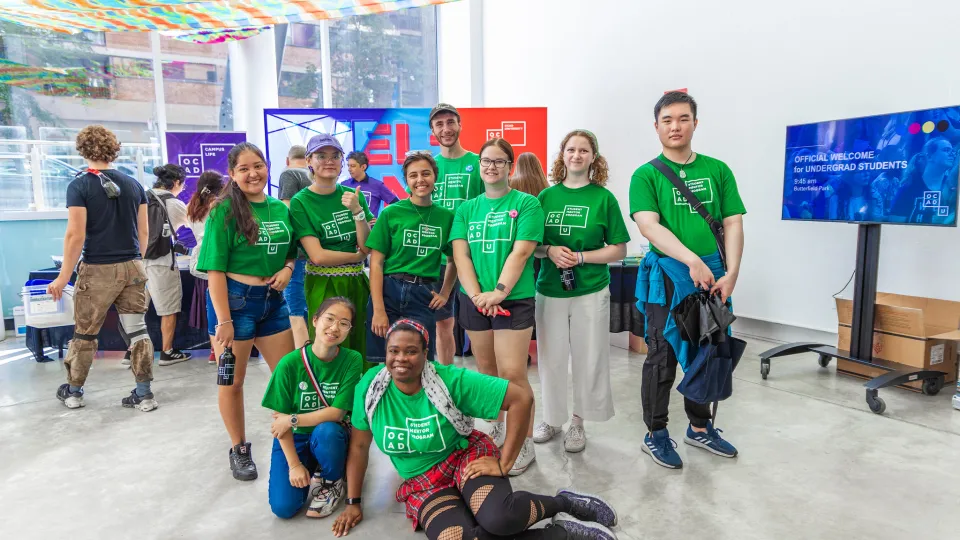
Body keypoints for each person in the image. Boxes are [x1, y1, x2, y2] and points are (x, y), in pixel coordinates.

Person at [331, 320, 620, 540]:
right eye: (394, 351)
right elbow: (358, 447)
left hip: (463, 458)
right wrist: (353, 503)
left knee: (499, 519)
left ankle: (563, 502)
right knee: (456, 537)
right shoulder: (371, 388)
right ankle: (561, 534)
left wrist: (504, 462)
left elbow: (521, 399)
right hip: (424, 482)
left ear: (425, 354)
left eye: (411, 351)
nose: (401, 359)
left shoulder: (450, 381)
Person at [630, 91, 746, 469]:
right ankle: (656, 433)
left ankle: (699, 427)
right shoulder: (646, 174)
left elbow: (733, 223)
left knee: (708, 352)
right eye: (667, 120)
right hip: (669, 274)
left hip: (713, 277)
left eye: (683, 118)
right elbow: (649, 225)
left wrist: (731, 273)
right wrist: (690, 259)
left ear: (695, 122)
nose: (675, 126)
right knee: (662, 355)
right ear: (656, 126)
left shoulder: (717, 169)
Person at [196, 142, 298, 481]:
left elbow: (291, 251)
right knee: (232, 381)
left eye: (258, 166)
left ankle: (293, 440)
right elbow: (214, 270)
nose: (253, 173)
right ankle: (239, 448)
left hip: (272, 301)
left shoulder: (281, 209)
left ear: (267, 166)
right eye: (244, 168)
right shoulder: (223, 211)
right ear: (232, 174)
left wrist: (287, 268)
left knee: (285, 377)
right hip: (234, 302)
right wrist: (223, 319)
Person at [450, 138, 544, 476]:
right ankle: (495, 430)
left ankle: (525, 443)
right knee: (487, 372)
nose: (491, 167)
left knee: (513, 374)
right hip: (475, 300)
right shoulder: (466, 209)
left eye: (499, 161)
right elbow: (461, 256)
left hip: (513, 299)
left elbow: (521, 252)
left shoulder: (527, 204)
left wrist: (499, 293)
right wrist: (478, 296)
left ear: (509, 165)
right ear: (479, 165)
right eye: (486, 161)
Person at [532, 130, 630, 454]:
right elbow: (530, 247)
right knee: (551, 358)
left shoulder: (604, 199)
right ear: (562, 155)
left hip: (590, 289)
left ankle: (577, 422)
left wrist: (582, 257)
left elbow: (619, 250)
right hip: (550, 288)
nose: (576, 155)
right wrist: (549, 250)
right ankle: (551, 417)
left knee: (588, 357)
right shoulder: (545, 198)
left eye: (583, 150)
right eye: (571, 149)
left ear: (593, 157)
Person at [48, 124, 157, 412]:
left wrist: (62, 277)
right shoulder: (134, 185)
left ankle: (73, 391)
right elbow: (144, 232)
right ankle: (144, 394)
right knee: (137, 330)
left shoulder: (80, 185)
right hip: (134, 265)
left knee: (85, 332)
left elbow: (75, 235)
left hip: (97, 269)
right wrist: (136, 261)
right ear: (114, 149)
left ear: (82, 150)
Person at [262, 297, 363, 519]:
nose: (335, 328)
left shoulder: (352, 360)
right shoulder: (289, 364)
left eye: (344, 323)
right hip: (295, 438)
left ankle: (332, 480)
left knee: (327, 430)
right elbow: (280, 422)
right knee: (284, 508)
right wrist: (294, 465)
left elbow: (337, 413)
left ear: (349, 330)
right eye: (330, 319)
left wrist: (292, 419)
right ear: (315, 321)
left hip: (328, 435)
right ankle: (311, 464)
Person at [365, 151, 457, 364]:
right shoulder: (391, 213)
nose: (420, 180)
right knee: (382, 360)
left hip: (422, 295)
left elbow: (454, 260)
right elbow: (376, 263)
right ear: (406, 180)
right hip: (388, 291)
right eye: (413, 175)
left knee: (420, 362)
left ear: (435, 176)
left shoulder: (446, 217)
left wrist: (444, 293)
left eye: (426, 173)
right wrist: (378, 309)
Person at [289, 134, 373, 359]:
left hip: (356, 283)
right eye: (321, 155)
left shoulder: (353, 196)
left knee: (360, 345)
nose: (329, 161)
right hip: (322, 284)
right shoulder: (300, 202)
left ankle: (359, 394)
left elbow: (367, 247)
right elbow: (317, 256)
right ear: (309, 161)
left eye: (335, 156)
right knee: (327, 345)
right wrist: (354, 257)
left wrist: (357, 212)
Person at [430, 103, 484, 365]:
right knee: (444, 324)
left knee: (482, 324)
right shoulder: (429, 166)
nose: (446, 128)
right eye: (439, 124)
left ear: (460, 125)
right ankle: (446, 378)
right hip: (441, 260)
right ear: (433, 130)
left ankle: (487, 380)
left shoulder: (478, 162)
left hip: (477, 257)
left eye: (450, 122)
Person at [142, 163, 192, 366]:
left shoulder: (141, 197)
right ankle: (167, 351)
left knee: (137, 309)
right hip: (161, 261)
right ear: (177, 182)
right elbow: (197, 223)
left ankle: (131, 351)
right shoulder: (173, 204)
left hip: (137, 261)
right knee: (168, 309)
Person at [510, 152, 550, 366]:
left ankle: (520, 352)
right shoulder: (546, 186)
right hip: (540, 249)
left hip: (516, 248)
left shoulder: (512, 184)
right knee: (536, 299)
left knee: (518, 298)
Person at [185, 170, 225, 364]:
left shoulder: (191, 206)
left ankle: (213, 350)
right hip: (216, 259)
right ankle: (224, 348)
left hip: (199, 261)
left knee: (210, 308)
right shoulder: (219, 207)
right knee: (223, 307)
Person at [278, 145, 314, 348]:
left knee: (295, 311)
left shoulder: (289, 174)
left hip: (297, 254)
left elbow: (286, 212)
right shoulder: (314, 176)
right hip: (317, 253)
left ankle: (303, 363)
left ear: (287, 159)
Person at [342, 150, 399, 223]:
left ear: (363, 167)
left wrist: (382, 220)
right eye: (348, 165)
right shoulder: (343, 185)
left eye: (353, 166)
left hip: (371, 231)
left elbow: (397, 205)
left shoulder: (377, 185)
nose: (349, 169)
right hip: (349, 230)